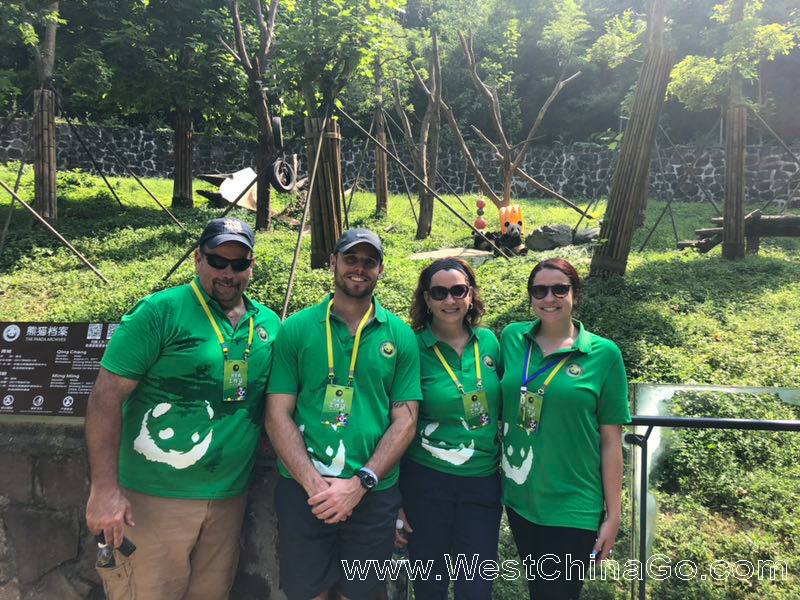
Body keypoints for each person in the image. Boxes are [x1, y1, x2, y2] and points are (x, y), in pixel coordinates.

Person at [85, 217, 282, 599]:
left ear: (252, 266)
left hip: (227, 501)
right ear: (198, 259)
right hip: (153, 501)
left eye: (239, 264)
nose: (228, 273)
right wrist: (104, 490)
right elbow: (105, 398)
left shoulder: (268, 324)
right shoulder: (160, 312)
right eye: (217, 261)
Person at [266, 228, 421, 600]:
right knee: (309, 593)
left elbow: (406, 420)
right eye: (351, 259)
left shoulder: (399, 335)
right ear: (333, 262)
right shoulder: (296, 329)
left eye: (369, 262)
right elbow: (277, 414)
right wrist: (314, 484)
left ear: (380, 270)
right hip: (304, 492)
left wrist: (359, 484)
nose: (359, 269)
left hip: (373, 493)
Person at [499, 258, 630, 600]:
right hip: (521, 498)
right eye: (539, 290)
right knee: (538, 589)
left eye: (560, 289)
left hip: (575, 502)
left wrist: (614, 515)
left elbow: (611, 442)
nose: (549, 297)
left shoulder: (604, 354)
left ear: (576, 294)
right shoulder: (513, 338)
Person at [397, 257, 503, 600]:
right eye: (439, 292)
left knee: (476, 588)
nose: (449, 300)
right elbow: (396, 422)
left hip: (483, 483)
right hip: (426, 483)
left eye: (458, 290)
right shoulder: (411, 346)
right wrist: (392, 498)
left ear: (470, 295)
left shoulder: (489, 343)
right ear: (426, 300)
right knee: (430, 587)